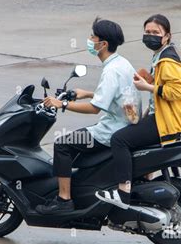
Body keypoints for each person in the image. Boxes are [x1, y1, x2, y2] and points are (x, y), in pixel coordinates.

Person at [36, 17, 141, 214]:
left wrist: (63, 103)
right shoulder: (122, 63)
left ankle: (63, 199)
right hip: (127, 125)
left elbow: (94, 109)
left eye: (92, 36)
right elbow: (117, 96)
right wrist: (87, 93)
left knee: (62, 144)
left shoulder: (110, 71)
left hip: (110, 131)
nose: (89, 39)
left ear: (103, 44)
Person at [96, 14, 181, 210]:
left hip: (169, 122)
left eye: (156, 33)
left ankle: (123, 192)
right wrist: (150, 79)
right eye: (147, 32)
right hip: (168, 117)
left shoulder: (167, 61)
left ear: (166, 36)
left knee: (119, 139)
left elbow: (175, 92)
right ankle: (144, 180)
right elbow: (165, 85)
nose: (150, 36)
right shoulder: (162, 55)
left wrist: (147, 87)